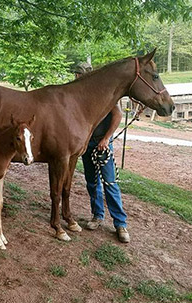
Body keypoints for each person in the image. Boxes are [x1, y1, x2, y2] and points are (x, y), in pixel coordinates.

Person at [74, 63, 130, 243]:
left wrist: (106, 139)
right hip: (87, 142)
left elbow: (118, 115)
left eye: (79, 74)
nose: (76, 77)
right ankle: (97, 215)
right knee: (92, 181)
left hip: (102, 143)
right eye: (75, 74)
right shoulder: (78, 94)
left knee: (110, 182)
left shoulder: (103, 92)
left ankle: (120, 223)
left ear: (87, 75)